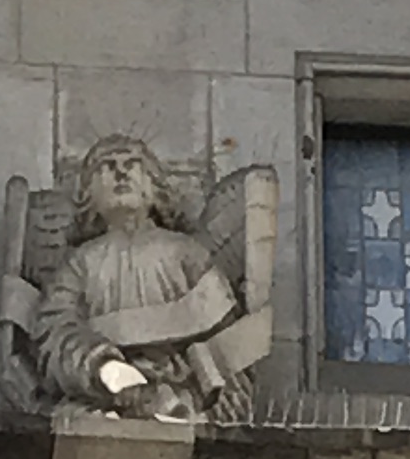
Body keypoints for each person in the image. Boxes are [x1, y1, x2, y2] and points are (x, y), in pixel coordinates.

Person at [26, 137, 256, 422]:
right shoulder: (80, 263)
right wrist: (105, 368)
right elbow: (54, 330)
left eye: (132, 163)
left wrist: (229, 395)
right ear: (88, 193)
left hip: (181, 400)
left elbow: (226, 336)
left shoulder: (186, 253)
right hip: (100, 400)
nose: (121, 173)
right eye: (107, 166)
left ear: (153, 186)